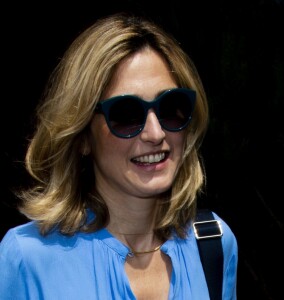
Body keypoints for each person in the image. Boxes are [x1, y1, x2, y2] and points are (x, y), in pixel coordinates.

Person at [0, 12, 238, 299]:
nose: (155, 133)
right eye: (126, 114)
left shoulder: (212, 244)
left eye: (171, 107)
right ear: (83, 136)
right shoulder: (28, 259)